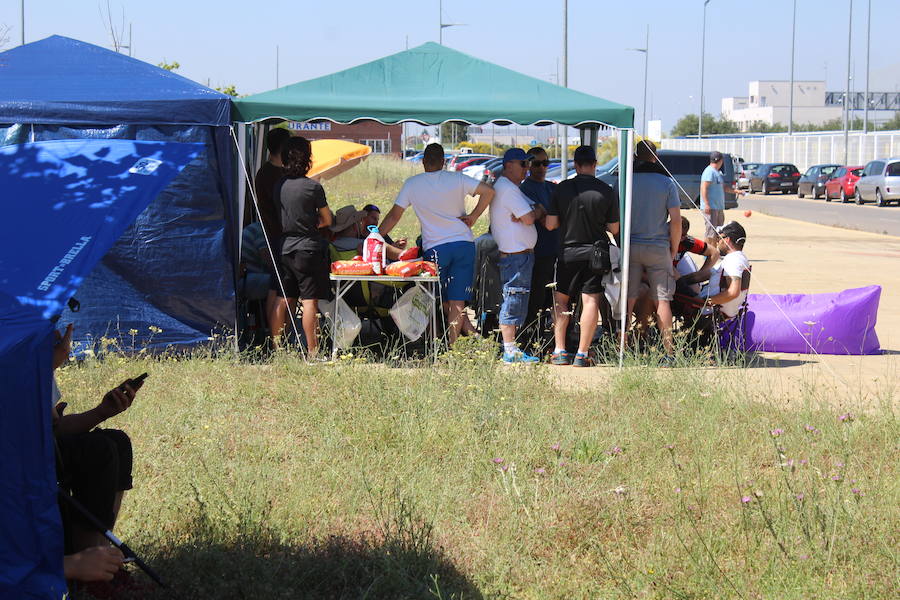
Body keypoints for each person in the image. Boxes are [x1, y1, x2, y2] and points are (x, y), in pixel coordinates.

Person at [379, 143, 496, 344]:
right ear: (443, 162)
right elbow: (489, 191)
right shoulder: (457, 178)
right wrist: (474, 216)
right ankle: (453, 345)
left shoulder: (412, 184)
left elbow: (394, 216)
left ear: (423, 161)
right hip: (463, 243)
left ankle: (433, 342)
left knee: (431, 297)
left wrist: (375, 235)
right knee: (458, 300)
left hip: (435, 247)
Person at [545, 146, 620, 367]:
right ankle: (582, 353)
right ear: (595, 164)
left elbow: (550, 224)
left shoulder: (562, 188)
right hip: (595, 254)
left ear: (576, 165)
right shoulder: (606, 191)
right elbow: (614, 228)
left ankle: (560, 350)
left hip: (567, 252)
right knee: (591, 300)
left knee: (561, 300)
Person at [273, 136, 334, 357]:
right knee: (309, 301)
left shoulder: (279, 186)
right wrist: (313, 222)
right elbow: (327, 220)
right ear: (307, 158)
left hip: (284, 247)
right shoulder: (313, 187)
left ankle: (277, 349)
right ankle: (312, 351)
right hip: (307, 248)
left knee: (283, 298)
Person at [625, 140, 681, 359]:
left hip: (631, 245)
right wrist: (673, 249)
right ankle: (668, 352)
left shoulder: (626, 181)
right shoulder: (667, 183)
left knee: (628, 299)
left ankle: (622, 348)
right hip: (658, 246)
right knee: (662, 301)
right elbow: (675, 221)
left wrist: (622, 244)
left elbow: (616, 216)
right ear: (656, 157)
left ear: (635, 157)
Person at [490, 148, 539, 363]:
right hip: (515, 255)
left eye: (528, 164)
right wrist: (533, 212)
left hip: (518, 255)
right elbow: (530, 217)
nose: (527, 169)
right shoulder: (508, 189)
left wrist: (533, 212)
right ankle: (509, 349)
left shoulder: (510, 188)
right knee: (513, 297)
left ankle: (512, 348)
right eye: (523, 164)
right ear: (508, 165)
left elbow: (535, 209)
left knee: (515, 298)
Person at [253, 128, 294, 339]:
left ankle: (275, 336)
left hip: (277, 236)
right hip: (280, 236)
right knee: (282, 290)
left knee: (275, 286)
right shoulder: (272, 175)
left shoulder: (267, 172)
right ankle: (278, 337)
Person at [519, 147, 558, 348]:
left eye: (545, 163)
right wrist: (547, 216)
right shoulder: (525, 189)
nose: (542, 167)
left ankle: (548, 336)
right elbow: (545, 220)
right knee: (536, 298)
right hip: (537, 251)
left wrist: (547, 215)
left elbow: (555, 217)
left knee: (553, 298)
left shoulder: (552, 188)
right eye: (537, 163)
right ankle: (530, 338)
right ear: (528, 165)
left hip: (555, 250)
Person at [701, 220, 751, 319]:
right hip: (728, 310)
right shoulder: (740, 258)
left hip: (710, 309)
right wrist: (685, 279)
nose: (717, 242)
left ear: (727, 240)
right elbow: (708, 273)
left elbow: (733, 292)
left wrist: (707, 302)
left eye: (719, 238)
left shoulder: (733, 261)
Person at [700, 151, 726, 245]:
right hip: (711, 207)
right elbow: (704, 188)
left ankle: (714, 250)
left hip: (718, 207)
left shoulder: (717, 172)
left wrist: (737, 191)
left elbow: (723, 187)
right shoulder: (709, 171)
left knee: (718, 231)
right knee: (710, 232)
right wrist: (707, 204)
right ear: (720, 161)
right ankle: (707, 251)